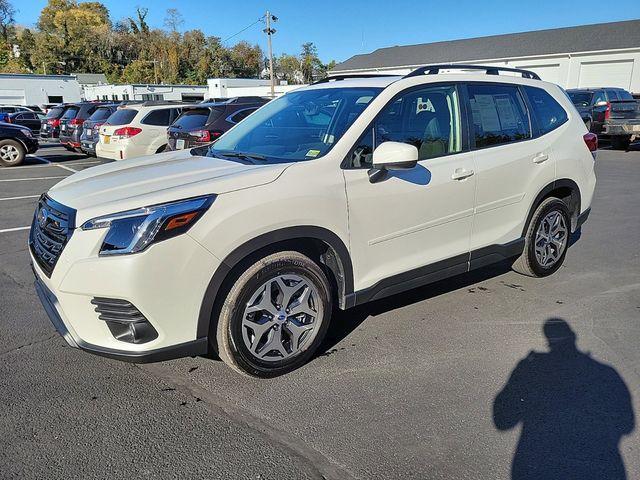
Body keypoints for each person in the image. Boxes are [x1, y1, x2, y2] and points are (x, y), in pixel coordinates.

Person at [493, 318, 634, 480]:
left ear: (548, 342)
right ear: (573, 337)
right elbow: (627, 424)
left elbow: (503, 421)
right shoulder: (606, 374)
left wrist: (520, 373)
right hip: (595, 467)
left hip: (539, 465)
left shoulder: (532, 370)